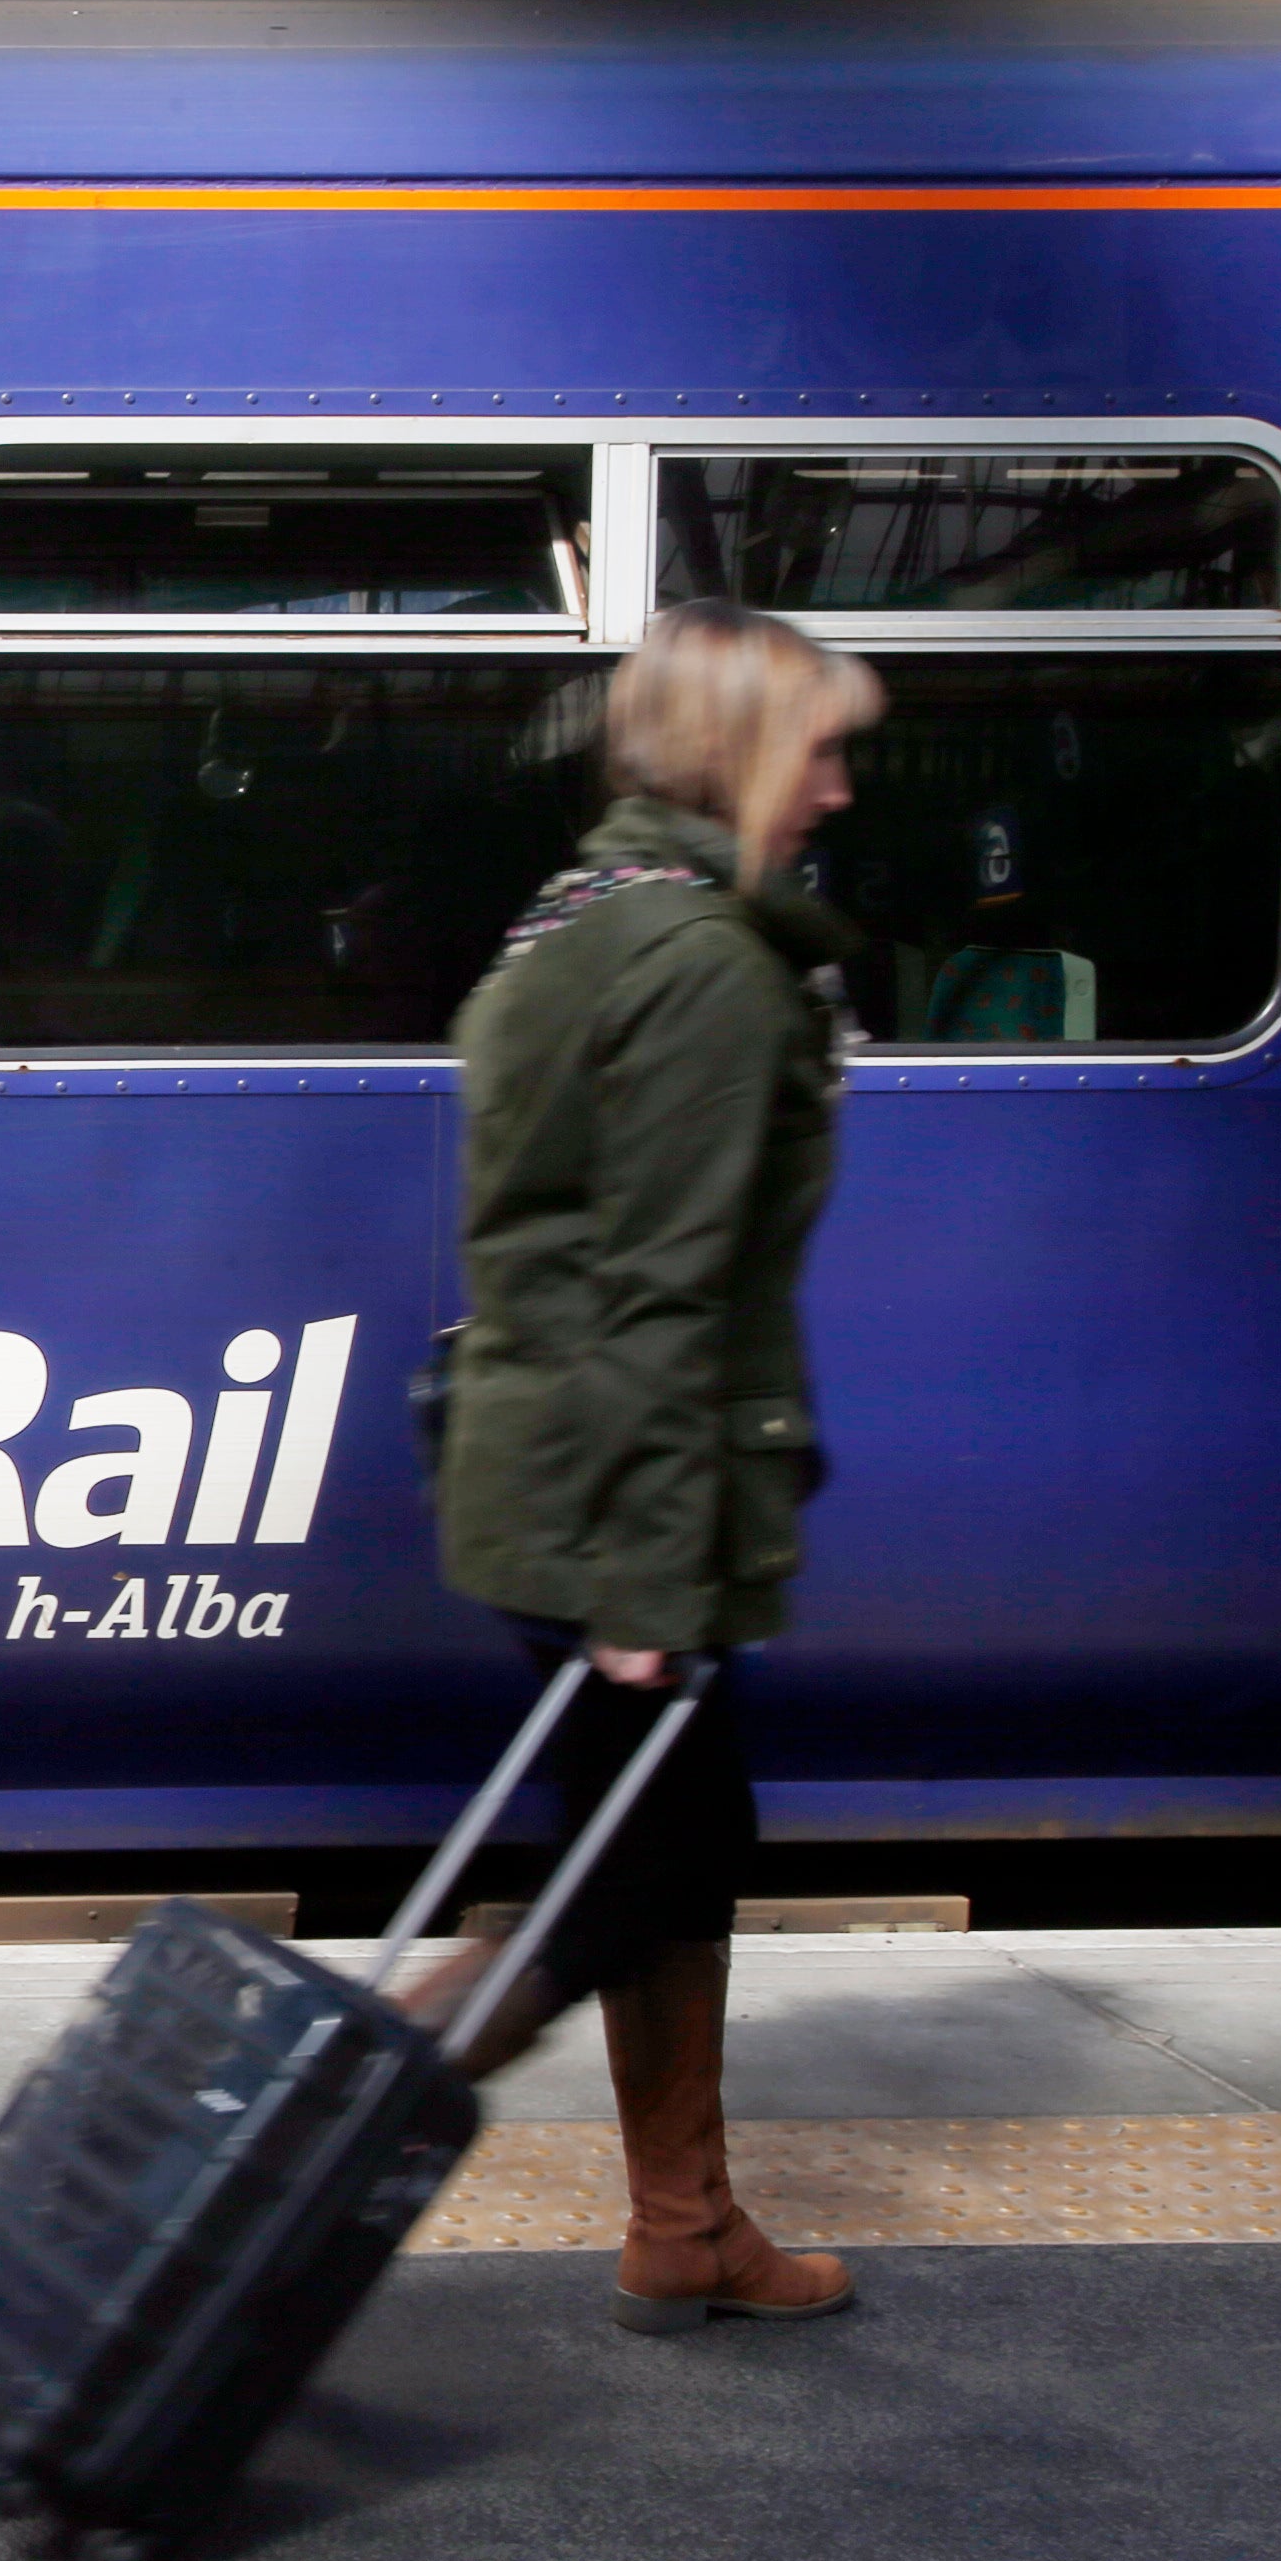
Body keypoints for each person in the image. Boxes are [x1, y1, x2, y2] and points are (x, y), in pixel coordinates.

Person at [405, 600, 878, 2336]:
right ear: (740, 756)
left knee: (669, 1851)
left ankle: (687, 2221)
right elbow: (664, 1297)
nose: (838, 790)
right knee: (656, 1867)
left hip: (546, 1469)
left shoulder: (574, 920)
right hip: (623, 1501)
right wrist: (642, 1592)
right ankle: (363, 2088)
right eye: (819, 749)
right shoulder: (709, 970)